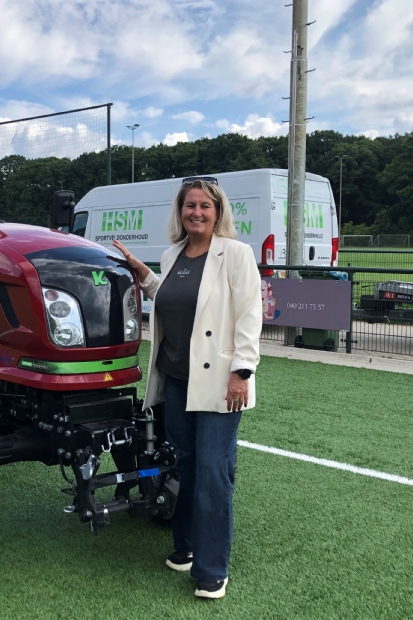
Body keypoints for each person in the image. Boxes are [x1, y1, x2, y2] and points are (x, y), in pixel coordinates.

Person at [112, 176, 261, 600]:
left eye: (204, 206)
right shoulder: (172, 254)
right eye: (189, 205)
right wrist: (145, 276)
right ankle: (186, 547)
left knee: (214, 472)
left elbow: (250, 316)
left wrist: (242, 372)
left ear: (218, 212)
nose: (196, 212)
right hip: (176, 381)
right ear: (180, 212)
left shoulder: (235, 254)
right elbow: (172, 299)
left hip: (219, 382)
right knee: (183, 466)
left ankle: (213, 568)